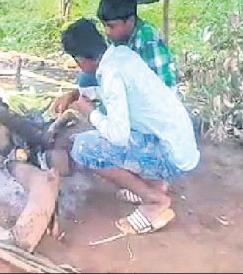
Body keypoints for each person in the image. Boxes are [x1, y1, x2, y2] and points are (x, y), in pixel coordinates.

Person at [61, 18, 199, 235]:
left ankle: (155, 201)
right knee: (118, 131)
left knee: (84, 147)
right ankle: (155, 185)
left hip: (171, 156)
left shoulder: (110, 74)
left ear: (80, 60)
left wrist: (90, 113)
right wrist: (78, 96)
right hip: (180, 145)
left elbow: (118, 136)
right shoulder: (121, 55)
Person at [53, 0, 178, 114]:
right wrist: (76, 94)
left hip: (152, 111)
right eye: (105, 25)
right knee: (86, 78)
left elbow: (165, 95)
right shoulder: (117, 37)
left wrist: (96, 114)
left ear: (130, 21)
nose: (107, 31)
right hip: (126, 92)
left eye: (112, 26)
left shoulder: (150, 43)